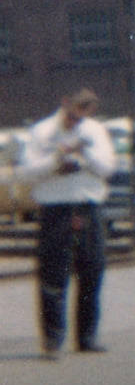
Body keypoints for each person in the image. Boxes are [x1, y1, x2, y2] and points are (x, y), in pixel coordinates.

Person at [20, 88, 118, 358]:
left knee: (92, 272)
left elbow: (108, 168)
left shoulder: (95, 131)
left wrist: (85, 154)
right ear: (65, 104)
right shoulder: (41, 132)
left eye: (82, 118)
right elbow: (27, 171)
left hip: (87, 206)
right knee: (53, 275)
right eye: (73, 116)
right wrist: (56, 160)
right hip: (55, 209)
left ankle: (86, 337)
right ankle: (52, 340)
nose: (76, 123)